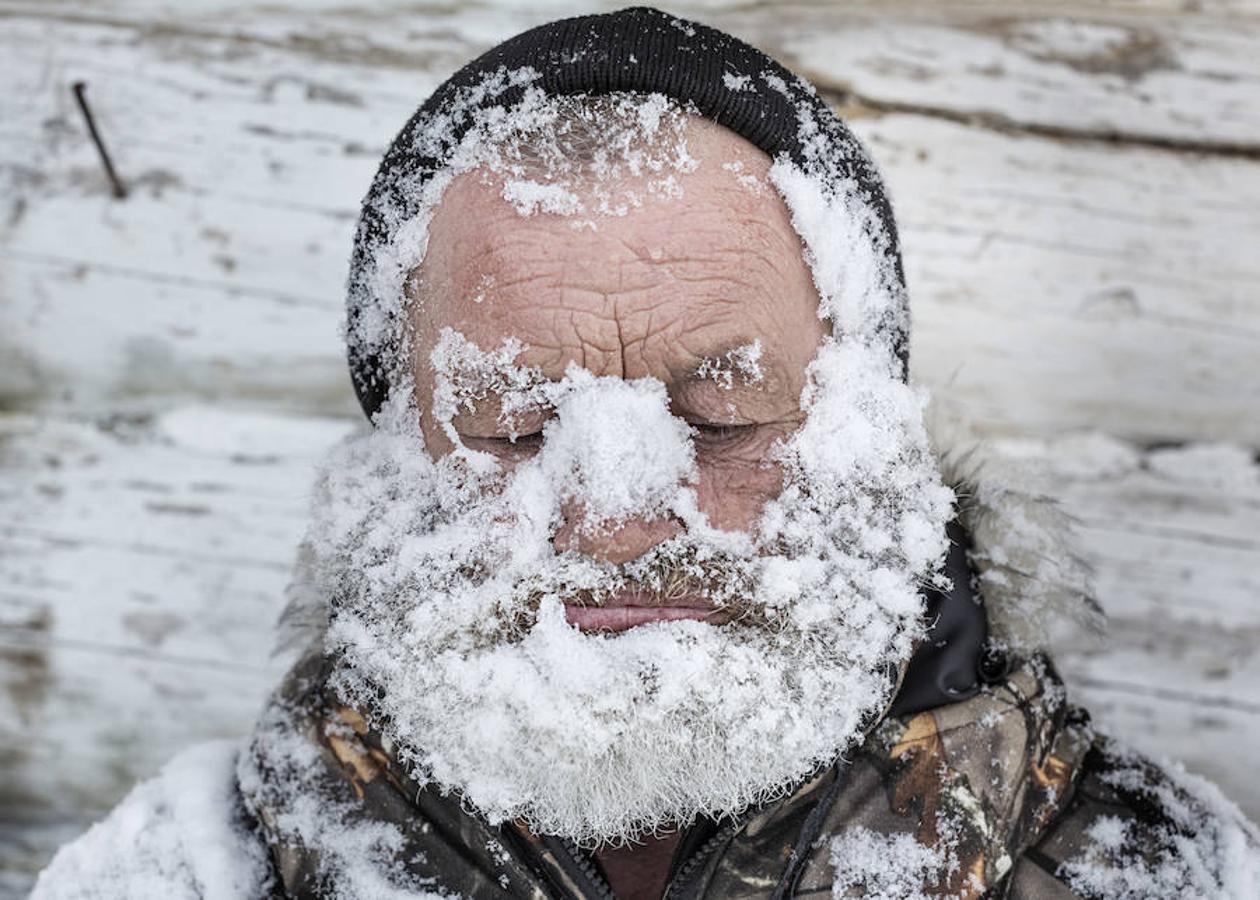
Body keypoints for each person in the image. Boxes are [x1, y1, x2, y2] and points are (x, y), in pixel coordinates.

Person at [32, 7, 1259, 899]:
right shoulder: (175, 874)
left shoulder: (1171, 875)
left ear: (873, 431)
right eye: (515, 429)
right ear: (394, 465)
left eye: (723, 417)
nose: (617, 512)